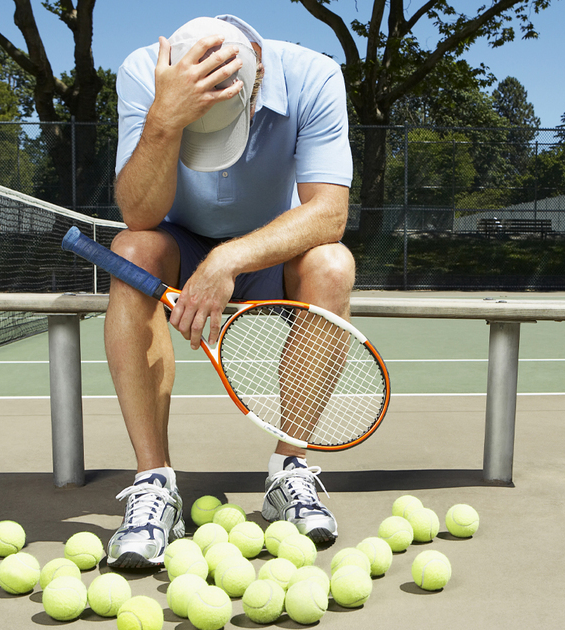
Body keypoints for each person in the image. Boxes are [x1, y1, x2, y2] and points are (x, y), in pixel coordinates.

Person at [104, 14, 354, 569]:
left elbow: (329, 213)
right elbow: (139, 214)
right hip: (177, 246)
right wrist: (166, 120)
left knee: (333, 264)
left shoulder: (315, 75)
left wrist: (230, 258)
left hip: (268, 248)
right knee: (131, 252)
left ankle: (290, 470)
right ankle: (154, 482)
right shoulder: (143, 71)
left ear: (257, 76)